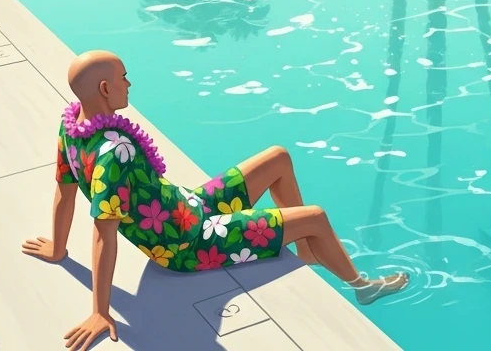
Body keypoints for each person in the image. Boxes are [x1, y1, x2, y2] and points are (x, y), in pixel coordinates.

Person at [22, 50, 407, 350]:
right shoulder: (113, 154)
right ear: (106, 89)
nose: (129, 83)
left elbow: (63, 189)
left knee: (277, 157)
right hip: (191, 242)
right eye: (123, 77)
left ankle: (305, 251)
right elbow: (103, 232)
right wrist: (100, 312)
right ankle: (362, 286)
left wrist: (58, 249)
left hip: (186, 205)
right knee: (317, 216)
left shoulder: (72, 127)